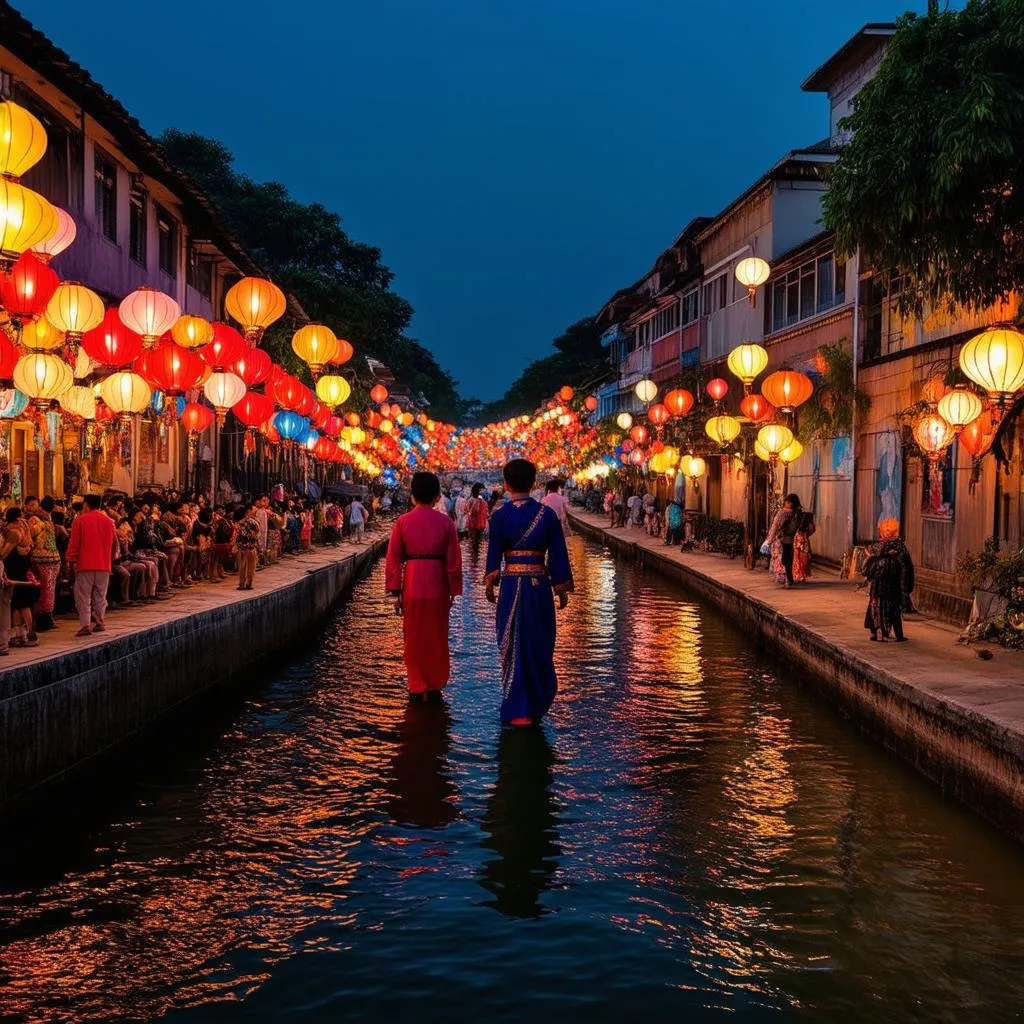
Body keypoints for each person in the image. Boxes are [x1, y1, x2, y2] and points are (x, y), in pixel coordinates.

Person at [485, 459, 573, 727]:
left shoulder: (499, 516)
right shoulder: (545, 515)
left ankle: (515, 705)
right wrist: (561, 588)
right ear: (534, 483)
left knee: (511, 643)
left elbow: (493, 559)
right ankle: (535, 703)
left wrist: (491, 582)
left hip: (511, 586)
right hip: (538, 588)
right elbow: (558, 553)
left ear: (506, 484)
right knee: (538, 642)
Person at [385, 471, 463, 701]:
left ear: (412, 496)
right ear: (438, 497)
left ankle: (417, 684)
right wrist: (453, 590)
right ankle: (435, 683)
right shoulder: (446, 523)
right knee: (437, 636)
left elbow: (393, 560)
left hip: (413, 583)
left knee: (414, 636)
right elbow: (454, 562)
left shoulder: (402, 522)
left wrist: (394, 593)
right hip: (438, 584)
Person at [67, 493, 118, 637]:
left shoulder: (80, 520)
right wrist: (110, 560)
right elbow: (115, 545)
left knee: (83, 596)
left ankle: (85, 624)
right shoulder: (109, 521)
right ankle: (99, 621)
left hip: (85, 564)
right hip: (104, 564)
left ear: (86, 505)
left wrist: (71, 560)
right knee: (100, 595)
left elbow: (74, 544)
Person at [3, 508, 41, 647]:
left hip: (15, 569)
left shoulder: (14, 532)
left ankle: (30, 634)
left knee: (21, 603)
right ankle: (20, 635)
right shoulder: (25, 527)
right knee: (18, 604)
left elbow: (4, 553)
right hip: (22, 567)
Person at [864, 538, 909, 642]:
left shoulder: (875, 560)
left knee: (874, 612)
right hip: (889, 592)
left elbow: (869, 575)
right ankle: (892, 635)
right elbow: (899, 578)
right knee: (891, 613)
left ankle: (874, 633)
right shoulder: (895, 563)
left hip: (876, 591)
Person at [876, 518, 916, 613]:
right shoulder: (898, 544)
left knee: (903, 588)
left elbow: (882, 554)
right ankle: (906, 606)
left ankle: (906, 607)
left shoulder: (895, 545)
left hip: (901, 570)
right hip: (901, 570)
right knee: (903, 588)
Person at [762, 493, 802, 587]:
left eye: (787, 502)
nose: (785, 503)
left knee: (781, 561)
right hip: (791, 540)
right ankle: (789, 579)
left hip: (781, 540)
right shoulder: (798, 514)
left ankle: (785, 580)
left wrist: (768, 541)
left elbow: (775, 527)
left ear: (790, 503)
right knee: (788, 560)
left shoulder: (783, 513)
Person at [234, 505, 260, 591]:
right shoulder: (254, 522)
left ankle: (242, 584)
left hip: (242, 547)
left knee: (242, 566)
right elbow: (257, 531)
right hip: (251, 547)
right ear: (247, 512)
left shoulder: (239, 523)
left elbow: (237, 535)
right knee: (252, 566)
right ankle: (250, 583)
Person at [792, 506, 817, 583]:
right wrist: (806, 534)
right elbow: (813, 529)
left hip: (797, 539)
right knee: (804, 557)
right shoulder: (808, 518)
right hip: (804, 539)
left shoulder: (795, 519)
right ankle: (802, 575)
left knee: (796, 557)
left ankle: (798, 574)